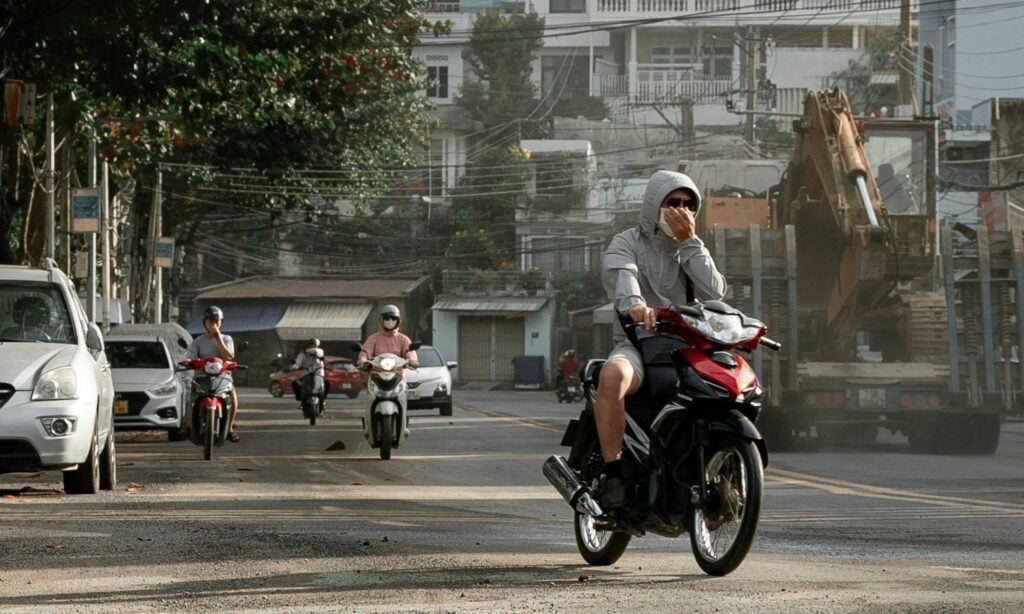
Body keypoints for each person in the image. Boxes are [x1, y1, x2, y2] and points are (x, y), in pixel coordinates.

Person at [596, 170, 727, 508]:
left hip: (686, 347)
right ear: (655, 204)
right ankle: (613, 474)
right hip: (639, 342)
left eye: (688, 205)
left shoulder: (692, 248)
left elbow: (715, 292)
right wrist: (636, 306)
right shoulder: (626, 242)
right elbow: (621, 276)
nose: (681, 211)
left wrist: (689, 243)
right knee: (612, 376)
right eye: (673, 203)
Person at [183, 305, 241, 443]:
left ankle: (230, 428)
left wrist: (217, 337)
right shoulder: (198, 341)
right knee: (189, 395)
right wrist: (187, 361)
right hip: (202, 377)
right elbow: (189, 355)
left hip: (222, 377)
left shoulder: (227, 339)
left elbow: (228, 356)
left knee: (232, 395)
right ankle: (188, 426)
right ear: (205, 323)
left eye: (217, 321)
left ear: (221, 322)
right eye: (210, 321)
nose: (213, 324)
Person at [357, 304, 419, 369]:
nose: (390, 321)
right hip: (376, 373)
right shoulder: (373, 338)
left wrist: (412, 360)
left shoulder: (404, 339)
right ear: (382, 320)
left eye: (393, 318)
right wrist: (362, 360)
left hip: (398, 374)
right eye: (387, 318)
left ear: (398, 321)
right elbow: (366, 351)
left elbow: (409, 351)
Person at [291, 337, 328, 407]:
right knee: (295, 383)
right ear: (308, 345)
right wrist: (295, 366)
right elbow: (298, 363)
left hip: (318, 373)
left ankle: (322, 401)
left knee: (326, 384)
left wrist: (307, 350)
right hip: (307, 373)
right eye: (311, 345)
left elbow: (317, 352)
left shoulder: (320, 352)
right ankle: (301, 400)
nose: (313, 347)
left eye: (315, 345)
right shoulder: (302, 354)